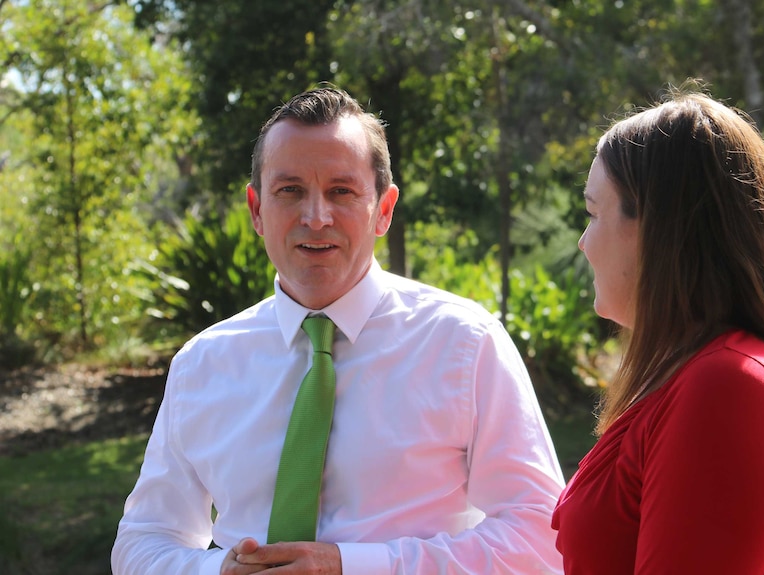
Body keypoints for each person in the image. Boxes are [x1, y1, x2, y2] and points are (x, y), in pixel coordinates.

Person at [111, 86, 565, 575]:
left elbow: (541, 536)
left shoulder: (464, 343)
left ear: (384, 209)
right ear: (257, 211)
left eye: (341, 191)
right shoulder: (202, 363)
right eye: (290, 191)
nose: (316, 217)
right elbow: (145, 540)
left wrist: (352, 566)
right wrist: (216, 571)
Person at [552, 86, 764, 574]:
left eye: (592, 213)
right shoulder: (701, 376)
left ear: (658, 230)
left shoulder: (732, 387)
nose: (584, 243)